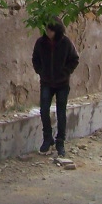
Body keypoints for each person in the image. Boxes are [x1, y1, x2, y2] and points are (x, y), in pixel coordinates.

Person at [32, 16, 80, 157]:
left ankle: (60, 142)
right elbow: (35, 59)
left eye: (51, 30)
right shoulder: (40, 43)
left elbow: (74, 59)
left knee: (61, 112)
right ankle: (47, 138)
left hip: (62, 83)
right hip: (46, 82)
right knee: (44, 110)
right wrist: (41, 71)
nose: (48, 33)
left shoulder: (65, 43)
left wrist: (65, 72)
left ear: (57, 30)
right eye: (46, 30)